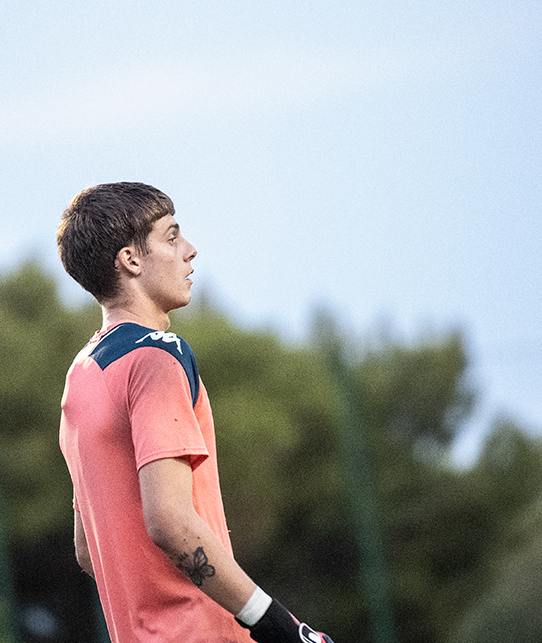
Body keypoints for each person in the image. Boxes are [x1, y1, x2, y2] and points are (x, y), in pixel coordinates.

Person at [56, 182, 334, 643]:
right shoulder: (158, 356)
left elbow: (88, 550)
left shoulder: (80, 374)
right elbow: (169, 520)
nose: (189, 250)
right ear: (131, 260)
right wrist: (282, 628)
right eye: (171, 237)